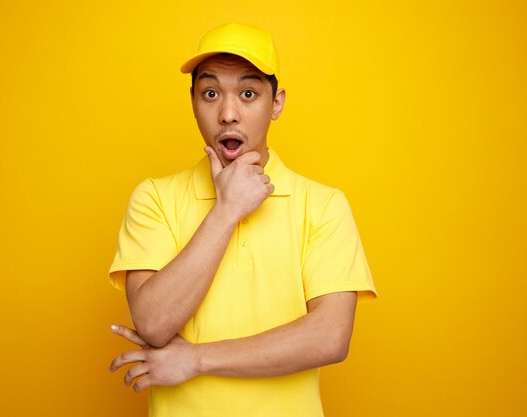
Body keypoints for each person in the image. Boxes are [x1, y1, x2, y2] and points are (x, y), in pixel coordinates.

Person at [108, 22, 377, 417]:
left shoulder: (323, 205)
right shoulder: (155, 198)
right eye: (211, 93)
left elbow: (330, 337)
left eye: (248, 93)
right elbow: (153, 323)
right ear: (193, 101)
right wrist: (227, 209)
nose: (228, 114)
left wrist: (196, 359)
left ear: (277, 103)